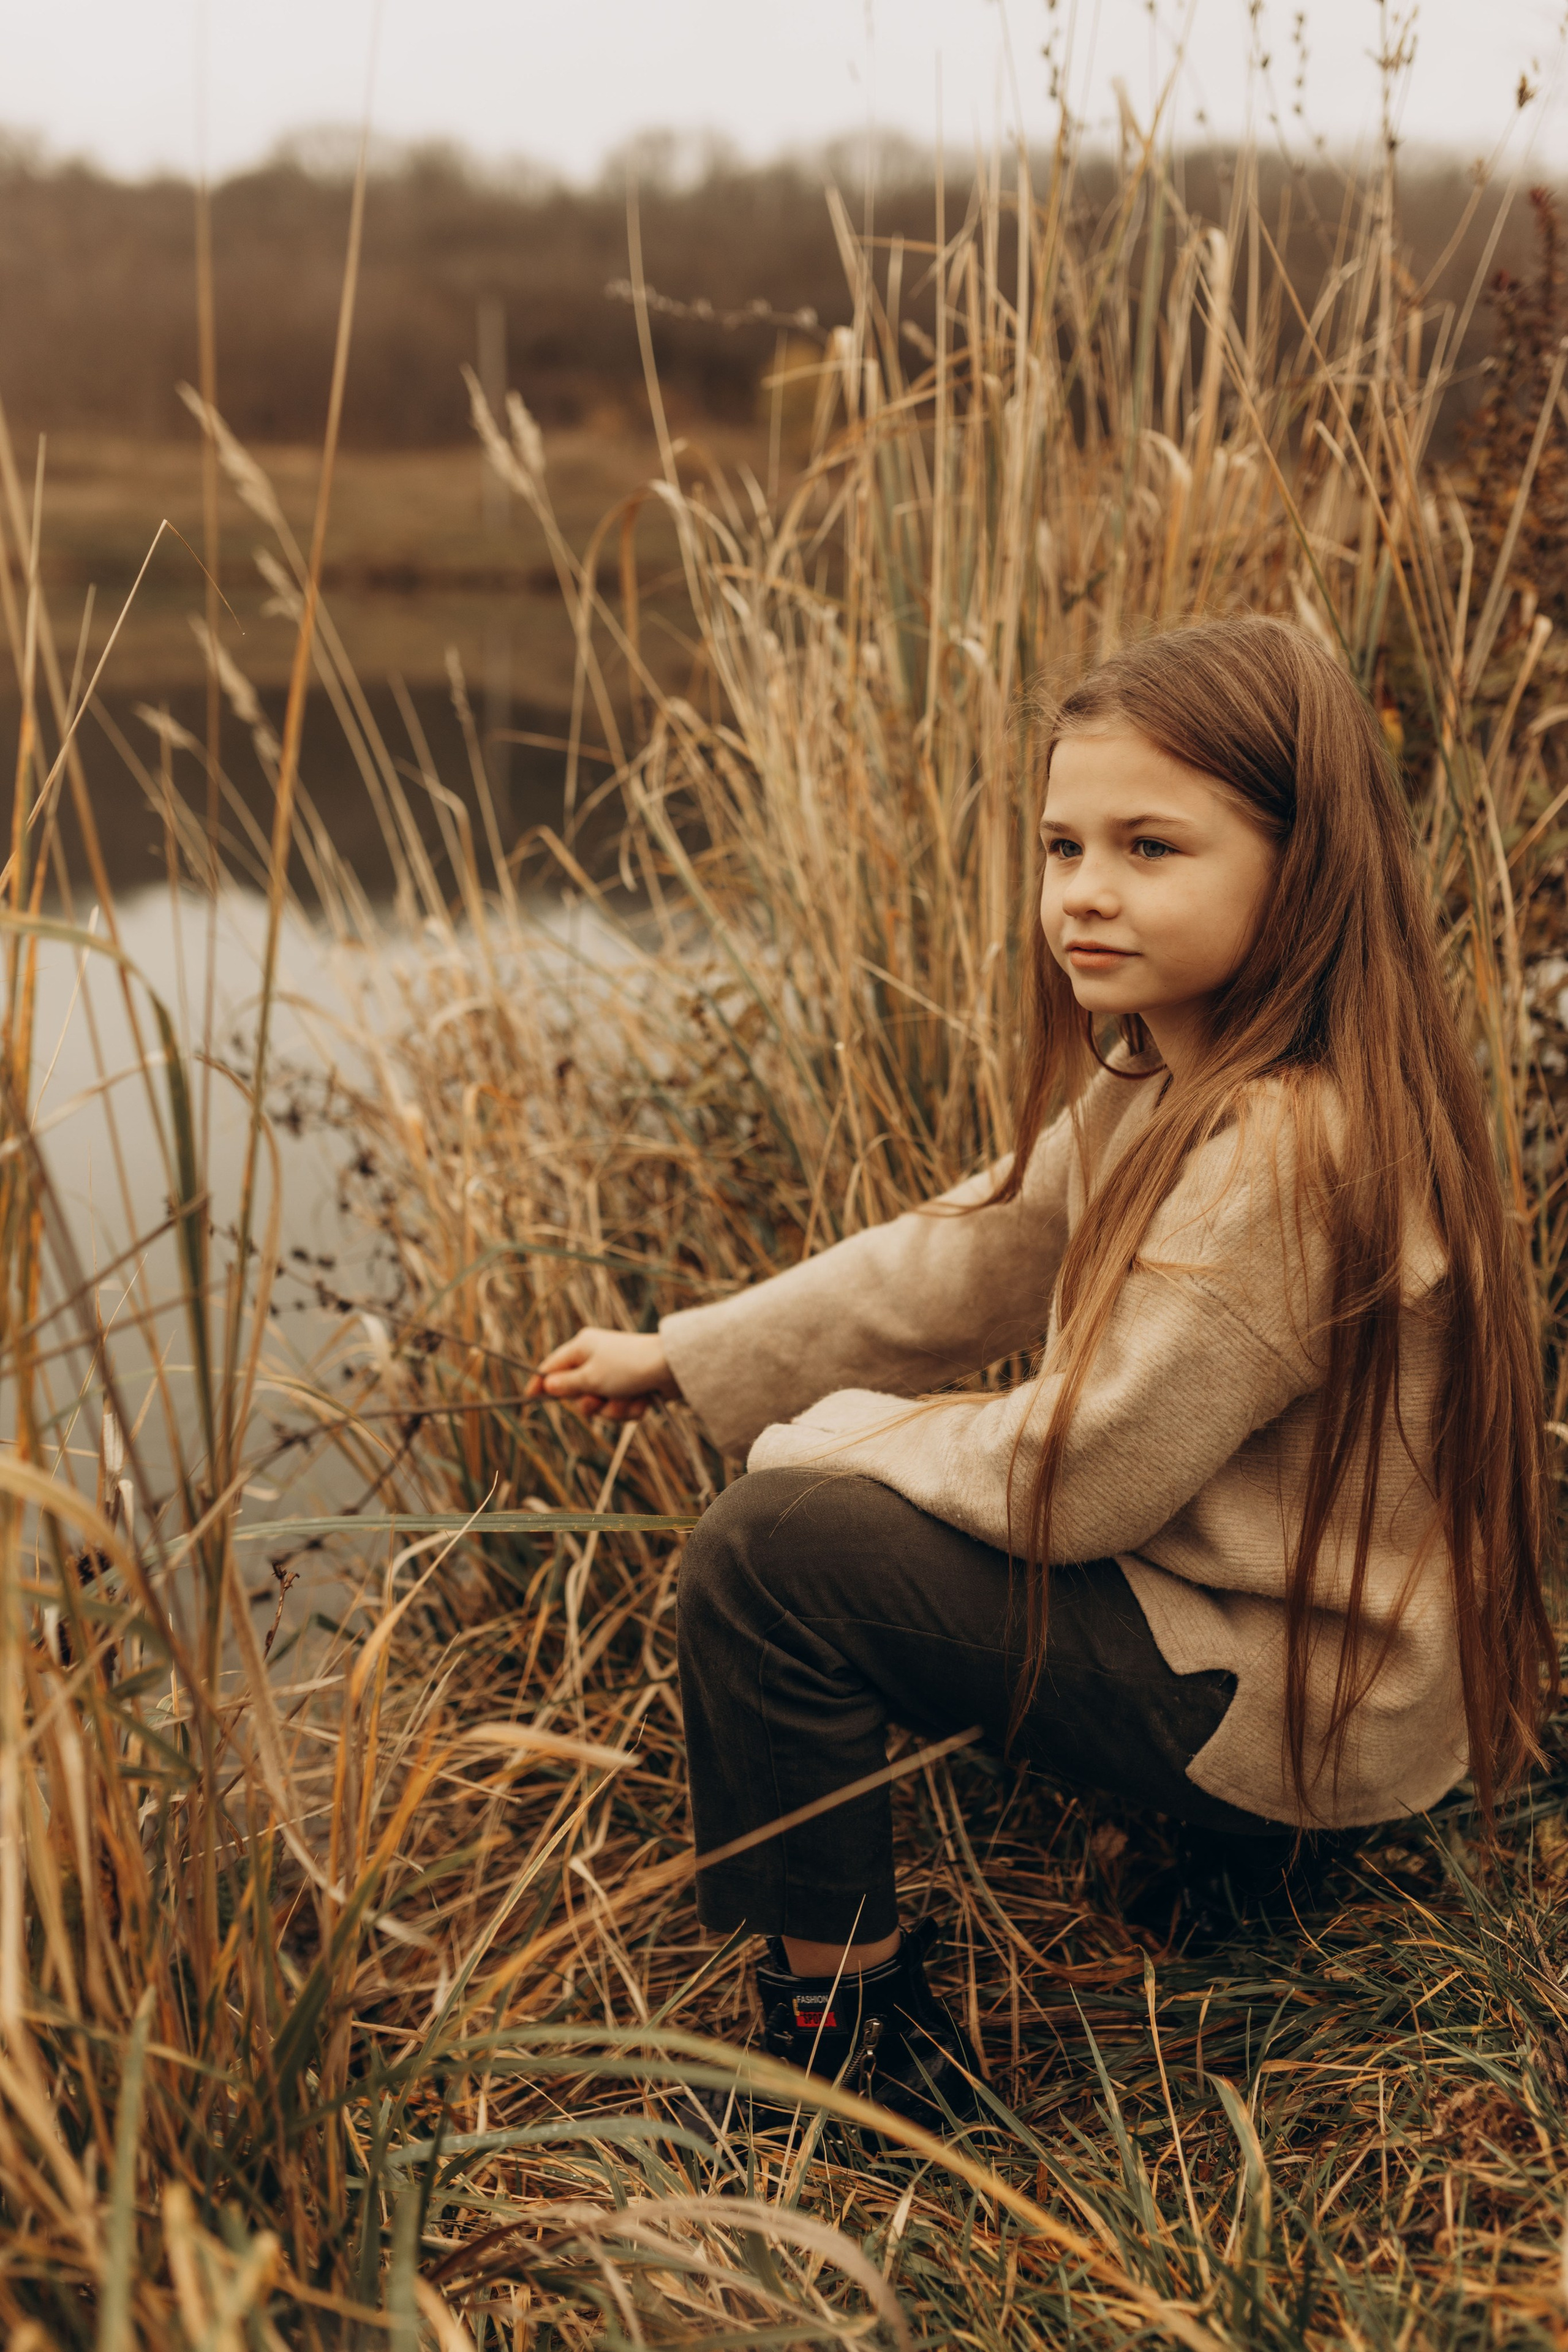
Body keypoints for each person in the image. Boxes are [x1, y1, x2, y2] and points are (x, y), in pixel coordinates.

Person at [526, 616, 1558, 2139]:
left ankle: (852, 2044)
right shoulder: (1177, 1071)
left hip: (1298, 1689)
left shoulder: (1282, 1147)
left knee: (767, 1564)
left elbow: (1081, 1479)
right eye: (1060, 843)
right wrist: (695, 1357)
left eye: (1151, 846)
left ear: (1303, 861)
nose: (1084, 892)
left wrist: (827, 1445)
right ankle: (1226, 1870)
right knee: (805, 1518)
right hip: (1291, 1649)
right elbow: (972, 1251)